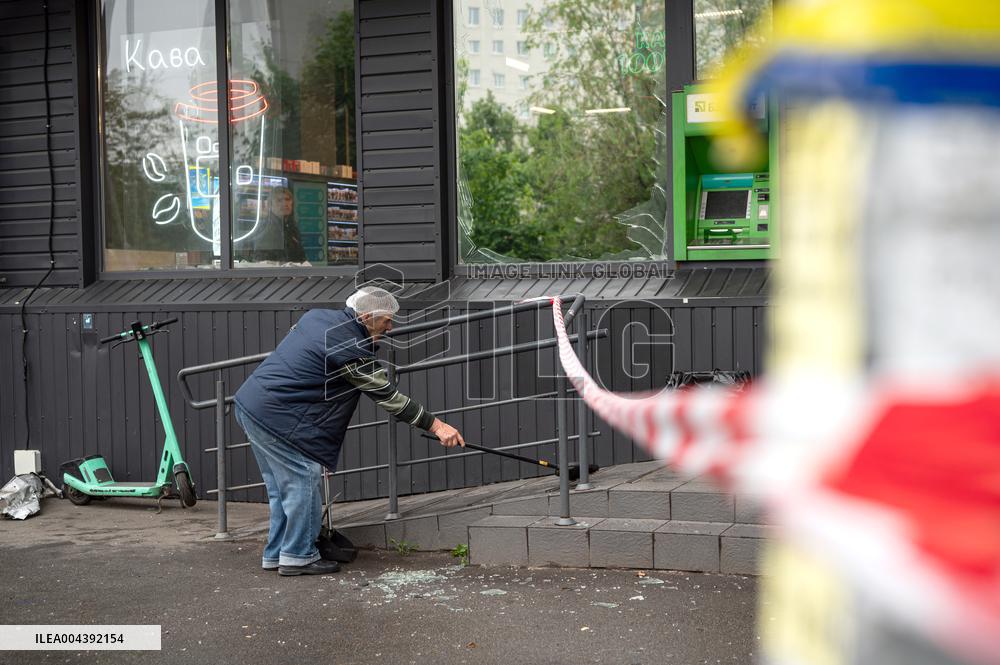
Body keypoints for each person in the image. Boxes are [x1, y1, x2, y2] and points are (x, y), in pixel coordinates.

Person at [233, 287, 465, 576]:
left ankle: (277, 553)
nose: (390, 328)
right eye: (386, 321)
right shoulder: (348, 346)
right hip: (276, 415)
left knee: (282, 489)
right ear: (366, 316)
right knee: (302, 479)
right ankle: (298, 555)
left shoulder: (318, 317)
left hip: (251, 404)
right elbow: (387, 396)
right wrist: (437, 426)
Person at [237, 185, 307, 263]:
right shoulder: (267, 227)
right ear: (270, 205)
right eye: (279, 200)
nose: (285, 203)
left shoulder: (290, 226)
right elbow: (264, 259)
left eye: (287, 199)